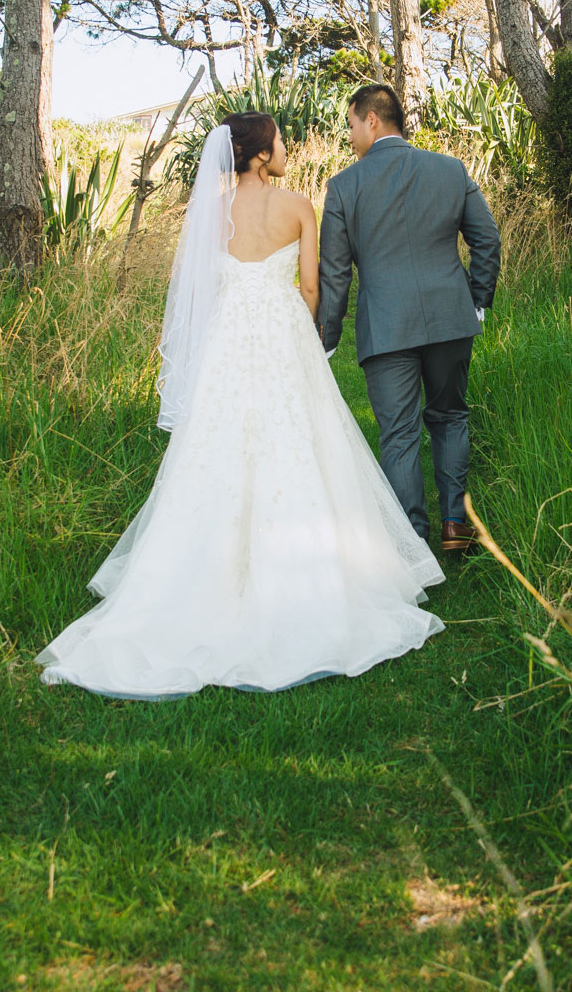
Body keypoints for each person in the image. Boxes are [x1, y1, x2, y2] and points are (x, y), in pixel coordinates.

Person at [37, 112, 445, 700]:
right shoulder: (299, 205)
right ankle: (311, 577)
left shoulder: (211, 215)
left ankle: (200, 580)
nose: (286, 147)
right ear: (259, 154)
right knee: (300, 444)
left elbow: (199, 295)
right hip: (282, 335)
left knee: (216, 448)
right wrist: (301, 338)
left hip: (226, 341)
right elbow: (311, 288)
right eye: (279, 140)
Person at [316, 83, 501, 551]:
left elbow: (335, 275)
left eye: (352, 123)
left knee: (398, 433)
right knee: (450, 415)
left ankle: (413, 541)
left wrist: (327, 338)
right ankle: (456, 523)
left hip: (386, 327)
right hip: (450, 319)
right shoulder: (449, 169)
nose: (351, 133)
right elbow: (488, 240)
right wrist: (476, 301)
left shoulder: (343, 187)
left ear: (371, 119)